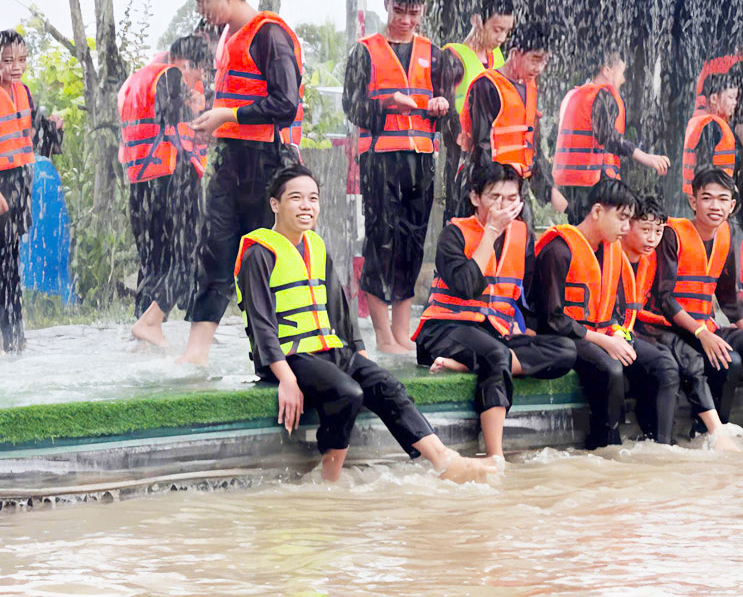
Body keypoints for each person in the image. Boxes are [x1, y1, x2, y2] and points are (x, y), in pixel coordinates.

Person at [236, 164, 489, 482]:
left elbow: (339, 308)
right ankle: (330, 480)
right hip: (288, 357)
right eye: (296, 198)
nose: (306, 206)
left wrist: (361, 356)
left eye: (313, 198)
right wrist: (285, 379)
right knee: (348, 393)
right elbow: (261, 325)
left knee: (386, 384)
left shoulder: (315, 245)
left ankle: (443, 461)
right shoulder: (258, 254)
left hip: (326, 351)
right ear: (275, 204)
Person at [183, 0, 305, 365]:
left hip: (266, 163)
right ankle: (196, 353)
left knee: (262, 256)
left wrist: (228, 116)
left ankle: (276, 352)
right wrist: (213, 120)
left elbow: (285, 104)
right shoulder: (226, 38)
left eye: (205, 2)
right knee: (215, 249)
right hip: (229, 161)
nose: (202, 11)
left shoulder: (269, 34)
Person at [413, 163, 578, 464]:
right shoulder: (454, 233)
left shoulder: (521, 234)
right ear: (476, 197)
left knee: (565, 350)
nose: (504, 206)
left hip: (492, 333)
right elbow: (466, 286)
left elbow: (526, 292)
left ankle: (465, 366)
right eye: (495, 197)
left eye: (511, 198)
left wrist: (528, 329)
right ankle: (495, 457)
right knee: (496, 355)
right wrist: (490, 232)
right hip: (445, 329)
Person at [632, 167, 743, 444]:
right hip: (671, 324)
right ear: (693, 202)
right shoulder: (672, 234)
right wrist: (701, 334)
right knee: (729, 361)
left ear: (732, 205)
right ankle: (709, 432)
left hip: (705, 324)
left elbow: (729, 297)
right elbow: (664, 297)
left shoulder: (727, 235)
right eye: (707, 198)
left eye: (722, 199)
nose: (715, 206)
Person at [343, 0, 453, 354]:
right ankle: (381, 334)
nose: (406, 19)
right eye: (399, 11)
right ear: (387, 4)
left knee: (411, 242)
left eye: (414, 12)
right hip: (379, 159)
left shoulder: (435, 54)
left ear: (423, 10)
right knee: (380, 241)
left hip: (421, 160)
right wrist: (388, 103)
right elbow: (352, 106)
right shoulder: (365, 51)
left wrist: (440, 107)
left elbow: (445, 108)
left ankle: (402, 332)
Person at [533, 179, 681, 449]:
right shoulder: (558, 250)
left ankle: (660, 448)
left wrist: (615, 332)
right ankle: (606, 446)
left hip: (603, 333)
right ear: (598, 212)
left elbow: (609, 310)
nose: (627, 228)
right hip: (564, 337)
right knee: (611, 368)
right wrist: (603, 340)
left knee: (663, 363)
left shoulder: (611, 250)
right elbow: (551, 318)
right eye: (623, 218)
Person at [122, 35, 210, 348]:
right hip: (174, 178)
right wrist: (198, 108)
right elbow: (173, 117)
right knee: (186, 261)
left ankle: (142, 337)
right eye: (199, 71)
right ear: (187, 63)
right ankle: (152, 324)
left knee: (153, 264)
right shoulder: (171, 77)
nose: (200, 78)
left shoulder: (138, 79)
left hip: (142, 181)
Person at [453, 22, 566, 220]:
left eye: (545, 62)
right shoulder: (486, 86)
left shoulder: (531, 89)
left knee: (524, 243)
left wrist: (549, 192)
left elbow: (532, 151)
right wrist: (496, 198)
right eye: (535, 60)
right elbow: (482, 149)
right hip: (487, 190)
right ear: (515, 54)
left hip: (516, 190)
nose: (539, 68)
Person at [0, 30, 62, 353]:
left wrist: (54, 129)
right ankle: (11, 340)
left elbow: (36, 139)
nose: (15, 67)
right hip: (0, 190)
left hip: (19, 189)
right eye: (7, 60)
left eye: (21, 60)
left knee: (11, 264)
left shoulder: (23, 92)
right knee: (3, 267)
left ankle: (15, 340)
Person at [553, 51, 670, 223]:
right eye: (621, 72)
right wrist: (646, 158)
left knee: (580, 230)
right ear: (607, 70)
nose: (623, 80)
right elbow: (609, 138)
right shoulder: (601, 95)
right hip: (594, 180)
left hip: (570, 182)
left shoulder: (573, 95)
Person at [440, 0, 514, 220]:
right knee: (459, 216)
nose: (501, 37)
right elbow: (446, 111)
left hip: (496, 154)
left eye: (506, 31)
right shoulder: (453, 56)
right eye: (497, 29)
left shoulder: (500, 59)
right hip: (463, 154)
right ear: (476, 21)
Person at [618, 192, 682, 442]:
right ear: (627, 225)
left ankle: (660, 439)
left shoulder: (651, 260)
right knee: (665, 364)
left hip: (632, 332)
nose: (652, 238)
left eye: (658, 232)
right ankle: (663, 444)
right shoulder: (610, 254)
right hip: (608, 333)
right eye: (645, 229)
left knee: (669, 358)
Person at [681, 74, 738, 198]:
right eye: (731, 97)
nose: (735, 103)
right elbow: (704, 163)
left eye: (735, 98)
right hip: (708, 193)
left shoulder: (701, 121)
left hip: (703, 193)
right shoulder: (711, 126)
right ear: (713, 99)